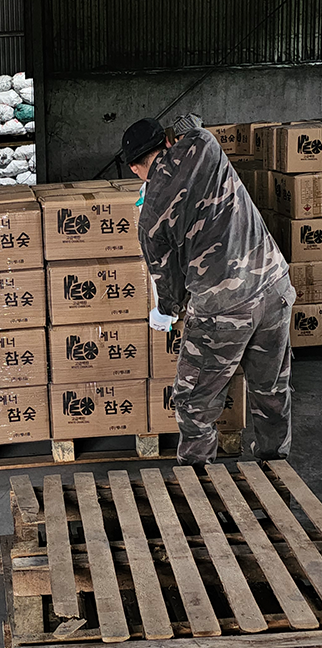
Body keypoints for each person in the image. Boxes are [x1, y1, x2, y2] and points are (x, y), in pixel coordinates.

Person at [121, 116, 294, 466]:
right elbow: (192, 121)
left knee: (194, 403)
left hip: (222, 307)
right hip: (274, 285)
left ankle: (198, 480)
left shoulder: (150, 216)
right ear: (167, 142)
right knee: (271, 389)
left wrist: (166, 311)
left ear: (135, 167)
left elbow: (166, 282)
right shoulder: (204, 144)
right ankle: (276, 468)